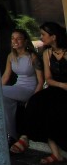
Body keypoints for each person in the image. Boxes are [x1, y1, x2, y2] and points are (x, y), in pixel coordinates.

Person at [11, 22, 67, 163]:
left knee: (55, 109)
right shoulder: (47, 53)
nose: (41, 37)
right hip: (57, 87)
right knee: (36, 101)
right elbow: (48, 78)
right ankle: (27, 137)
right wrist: (61, 85)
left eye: (43, 34)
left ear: (54, 37)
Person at [1, 28, 43, 144]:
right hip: (18, 87)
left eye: (18, 38)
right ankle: (11, 135)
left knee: (0, 92)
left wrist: (34, 99)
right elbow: (5, 77)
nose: (15, 41)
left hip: (30, 89)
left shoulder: (32, 57)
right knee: (3, 99)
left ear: (25, 41)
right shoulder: (11, 56)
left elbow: (41, 81)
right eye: (12, 38)